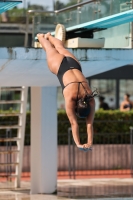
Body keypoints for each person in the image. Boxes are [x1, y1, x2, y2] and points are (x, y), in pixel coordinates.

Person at [37, 32, 96, 152]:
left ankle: (49, 36)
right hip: (59, 67)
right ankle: (41, 37)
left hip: (74, 65)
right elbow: (74, 124)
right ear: (75, 108)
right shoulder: (71, 99)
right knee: (48, 48)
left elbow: (89, 125)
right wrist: (79, 144)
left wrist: (89, 143)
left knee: (60, 48)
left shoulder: (90, 98)